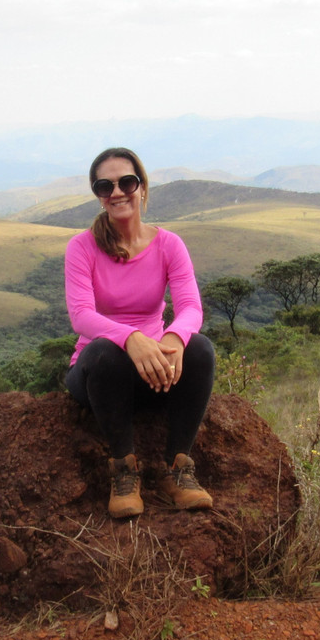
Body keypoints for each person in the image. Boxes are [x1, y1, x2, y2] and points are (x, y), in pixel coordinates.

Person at [64, 146, 217, 518]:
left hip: (156, 372)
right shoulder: (82, 247)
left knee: (200, 349)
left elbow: (191, 308)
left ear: (142, 186)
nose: (117, 192)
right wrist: (131, 338)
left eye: (126, 182)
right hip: (101, 376)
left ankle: (177, 468)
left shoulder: (168, 245)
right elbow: (81, 316)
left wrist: (172, 338)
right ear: (98, 195)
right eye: (105, 186)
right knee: (104, 353)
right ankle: (123, 470)